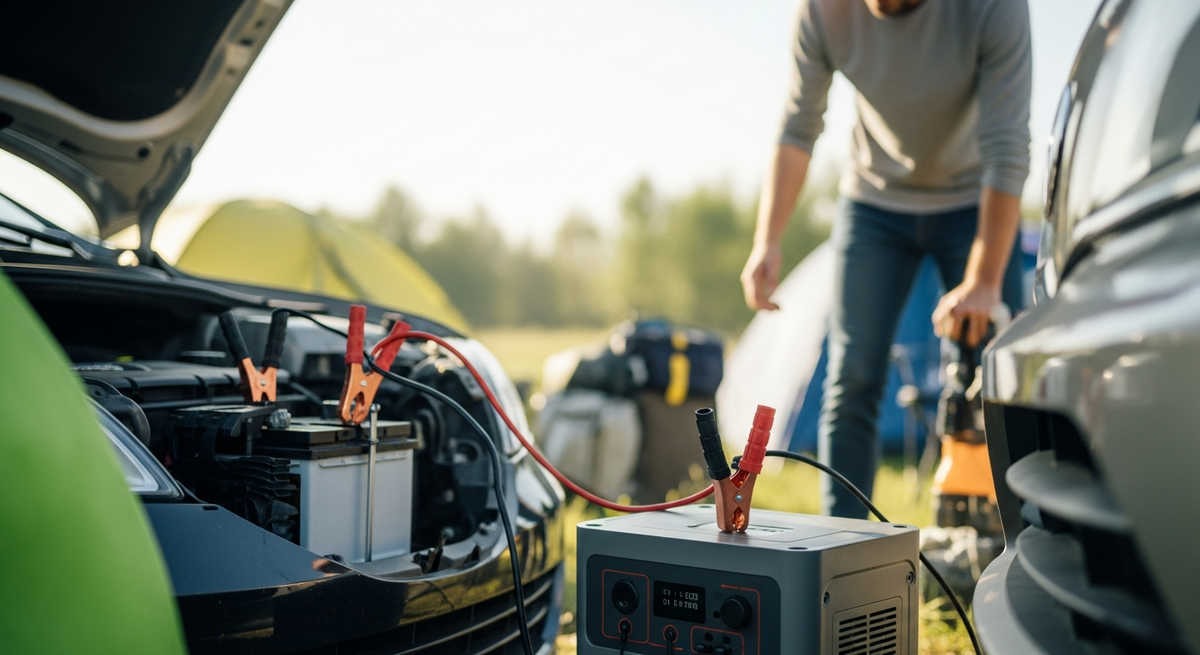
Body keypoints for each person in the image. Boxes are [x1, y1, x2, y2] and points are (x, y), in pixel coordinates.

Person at [740, 0, 1030, 518]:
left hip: (973, 199)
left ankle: (1015, 549)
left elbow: (1008, 147)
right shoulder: (822, 10)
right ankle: (843, 555)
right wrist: (769, 239)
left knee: (1002, 377)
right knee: (852, 382)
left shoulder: (993, 7)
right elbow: (798, 127)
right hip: (875, 202)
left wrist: (985, 281)